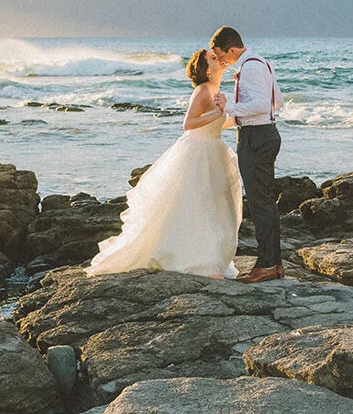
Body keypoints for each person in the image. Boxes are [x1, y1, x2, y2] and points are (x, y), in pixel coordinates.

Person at [86, 49, 242, 279]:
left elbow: (216, 124)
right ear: (206, 70)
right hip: (198, 152)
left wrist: (237, 118)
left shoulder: (216, 90)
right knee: (195, 206)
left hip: (213, 150)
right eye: (212, 57)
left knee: (213, 207)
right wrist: (219, 110)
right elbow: (188, 123)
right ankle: (197, 262)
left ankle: (210, 259)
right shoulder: (203, 90)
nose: (218, 58)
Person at [210, 26, 285, 283]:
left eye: (222, 56)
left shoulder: (251, 67)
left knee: (260, 203)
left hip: (257, 138)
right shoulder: (259, 62)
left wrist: (228, 106)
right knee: (265, 202)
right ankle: (274, 264)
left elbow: (264, 105)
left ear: (232, 49)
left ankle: (266, 265)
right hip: (263, 133)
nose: (222, 62)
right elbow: (276, 103)